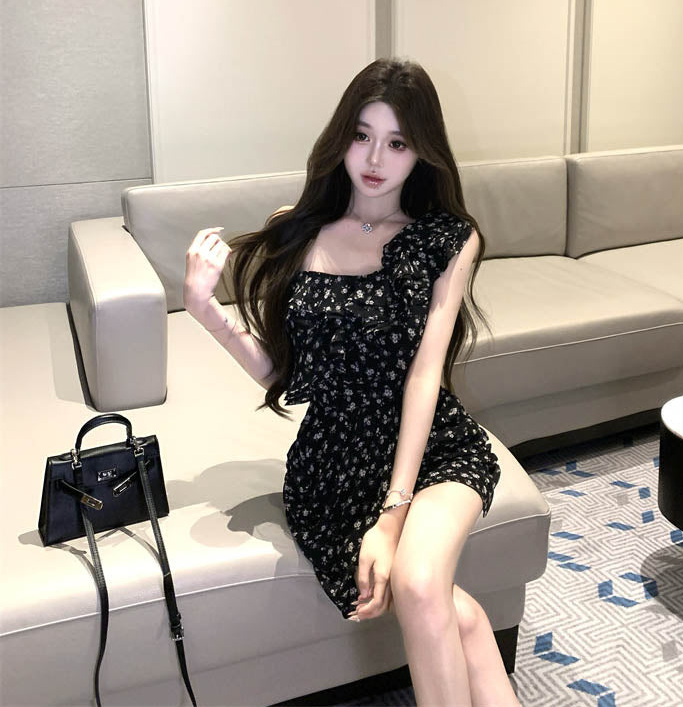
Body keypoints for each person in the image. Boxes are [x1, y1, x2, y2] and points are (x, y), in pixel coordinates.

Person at [183, 57, 520, 706]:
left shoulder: (448, 239)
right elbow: (289, 375)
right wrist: (206, 310)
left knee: (418, 582)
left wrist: (392, 518)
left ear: (422, 152)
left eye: (397, 143)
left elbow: (425, 375)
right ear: (341, 136)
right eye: (362, 135)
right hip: (332, 471)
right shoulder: (298, 227)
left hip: (434, 450)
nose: (374, 158)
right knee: (457, 616)